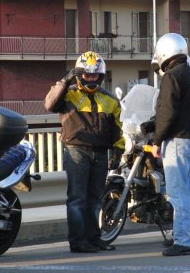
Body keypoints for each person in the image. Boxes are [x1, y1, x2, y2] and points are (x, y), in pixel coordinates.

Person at [44, 51, 125, 253]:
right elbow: (50, 104)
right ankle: (78, 242)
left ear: (101, 76)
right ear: (80, 75)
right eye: (87, 75)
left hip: (100, 153)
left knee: (95, 199)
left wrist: (118, 150)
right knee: (77, 199)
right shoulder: (69, 93)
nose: (91, 79)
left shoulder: (111, 100)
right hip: (76, 151)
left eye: (95, 75)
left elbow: (118, 128)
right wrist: (65, 80)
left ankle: (94, 239)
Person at [151, 33, 190, 256]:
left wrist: (156, 140)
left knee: (176, 192)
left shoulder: (171, 76)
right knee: (185, 192)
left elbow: (166, 112)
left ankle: (184, 240)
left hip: (177, 139)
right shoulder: (188, 73)